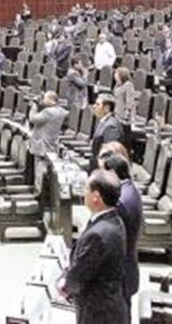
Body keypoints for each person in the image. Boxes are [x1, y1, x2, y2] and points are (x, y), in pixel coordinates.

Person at [59, 170, 128, 324]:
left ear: (96, 197)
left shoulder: (98, 234)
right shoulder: (115, 220)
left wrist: (64, 286)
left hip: (99, 313)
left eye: (85, 189)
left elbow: (80, 275)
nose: (83, 193)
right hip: (109, 305)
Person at [100, 150, 141, 316]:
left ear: (112, 173)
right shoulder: (130, 189)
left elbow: (109, 240)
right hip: (127, 267)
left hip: (119, 273)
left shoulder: (120, 202)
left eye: (102, 172)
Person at [27, 91, 68, 155]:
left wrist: (34, 106)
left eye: (45, 98)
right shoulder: (61, 111)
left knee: (40, 164)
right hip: (52, 143)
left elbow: (32, 119)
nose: (43, 100)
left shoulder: (48, 112)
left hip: (41, 146)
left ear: (50, 100)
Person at [90, 95, 122, 171]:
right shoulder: (104, 121)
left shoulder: (111, 126)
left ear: (106, 108)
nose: (94, 106)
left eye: (97, 104)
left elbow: (109, 155)